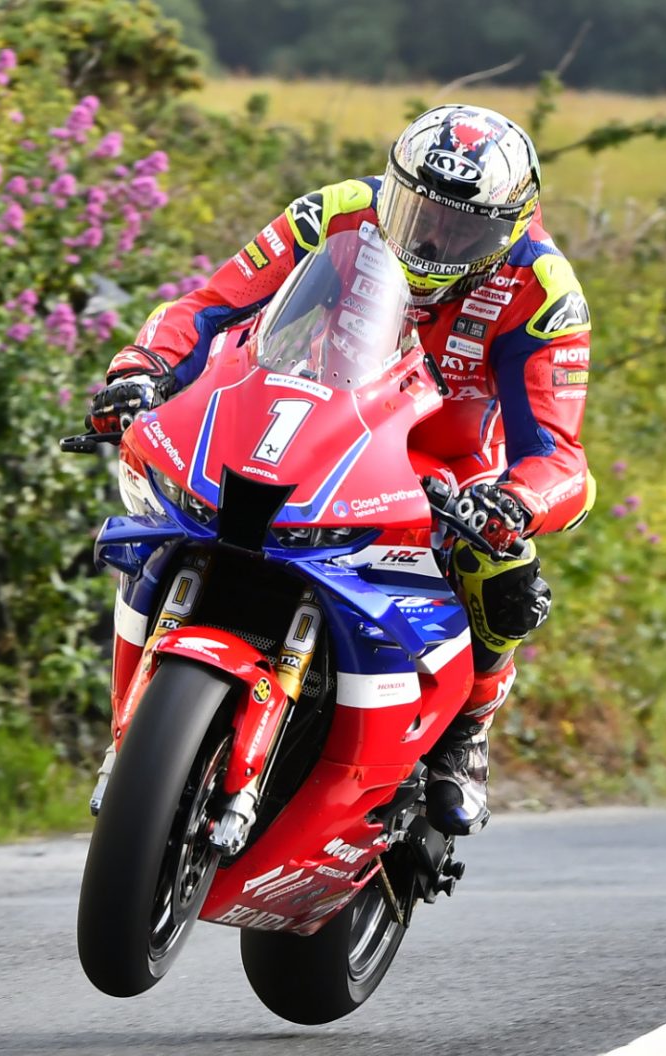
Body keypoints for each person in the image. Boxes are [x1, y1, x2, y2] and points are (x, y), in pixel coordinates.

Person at [88, 104, 593, 836]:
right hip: (320, 422)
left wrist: (518, 501)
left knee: (505, 572)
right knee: (182, 497)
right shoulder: (332, 213)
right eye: (420, 209)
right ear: (393, 186)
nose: (434, 237)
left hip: (447, 469)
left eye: (463, 228)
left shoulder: (545, 291)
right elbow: (209, 308)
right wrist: (141, 370)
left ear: (511, 228)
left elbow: (558, 454)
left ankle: (467, 730)